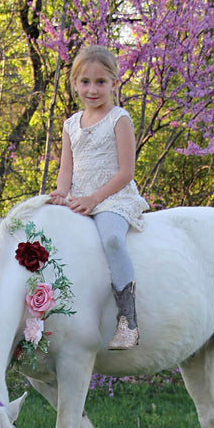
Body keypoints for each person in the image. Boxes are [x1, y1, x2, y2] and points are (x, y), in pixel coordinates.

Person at [50, 45, 149, 350]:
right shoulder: (70, 125)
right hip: (80, 198)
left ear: (113, 83)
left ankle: (128, 320)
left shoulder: (119, 119)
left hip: (112, 198)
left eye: (100, 82)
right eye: (85, 82)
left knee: (112, 240)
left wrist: (94, 199)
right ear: (75, 83)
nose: (92, 89)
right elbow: (66, 169)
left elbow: (126, 172)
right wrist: (61, 193)